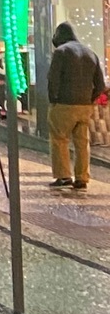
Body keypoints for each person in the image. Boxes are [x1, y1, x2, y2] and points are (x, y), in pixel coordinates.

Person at [47, 21, 107, 191]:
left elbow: (53, 79)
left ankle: (63, 176)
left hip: (64, 104)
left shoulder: (61, 52)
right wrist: (90, 99)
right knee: (82, 142)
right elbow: (100, 85)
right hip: (85, 106)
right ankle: (82, 178)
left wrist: (53, 99)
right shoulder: (90, 53)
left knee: (59, 140)